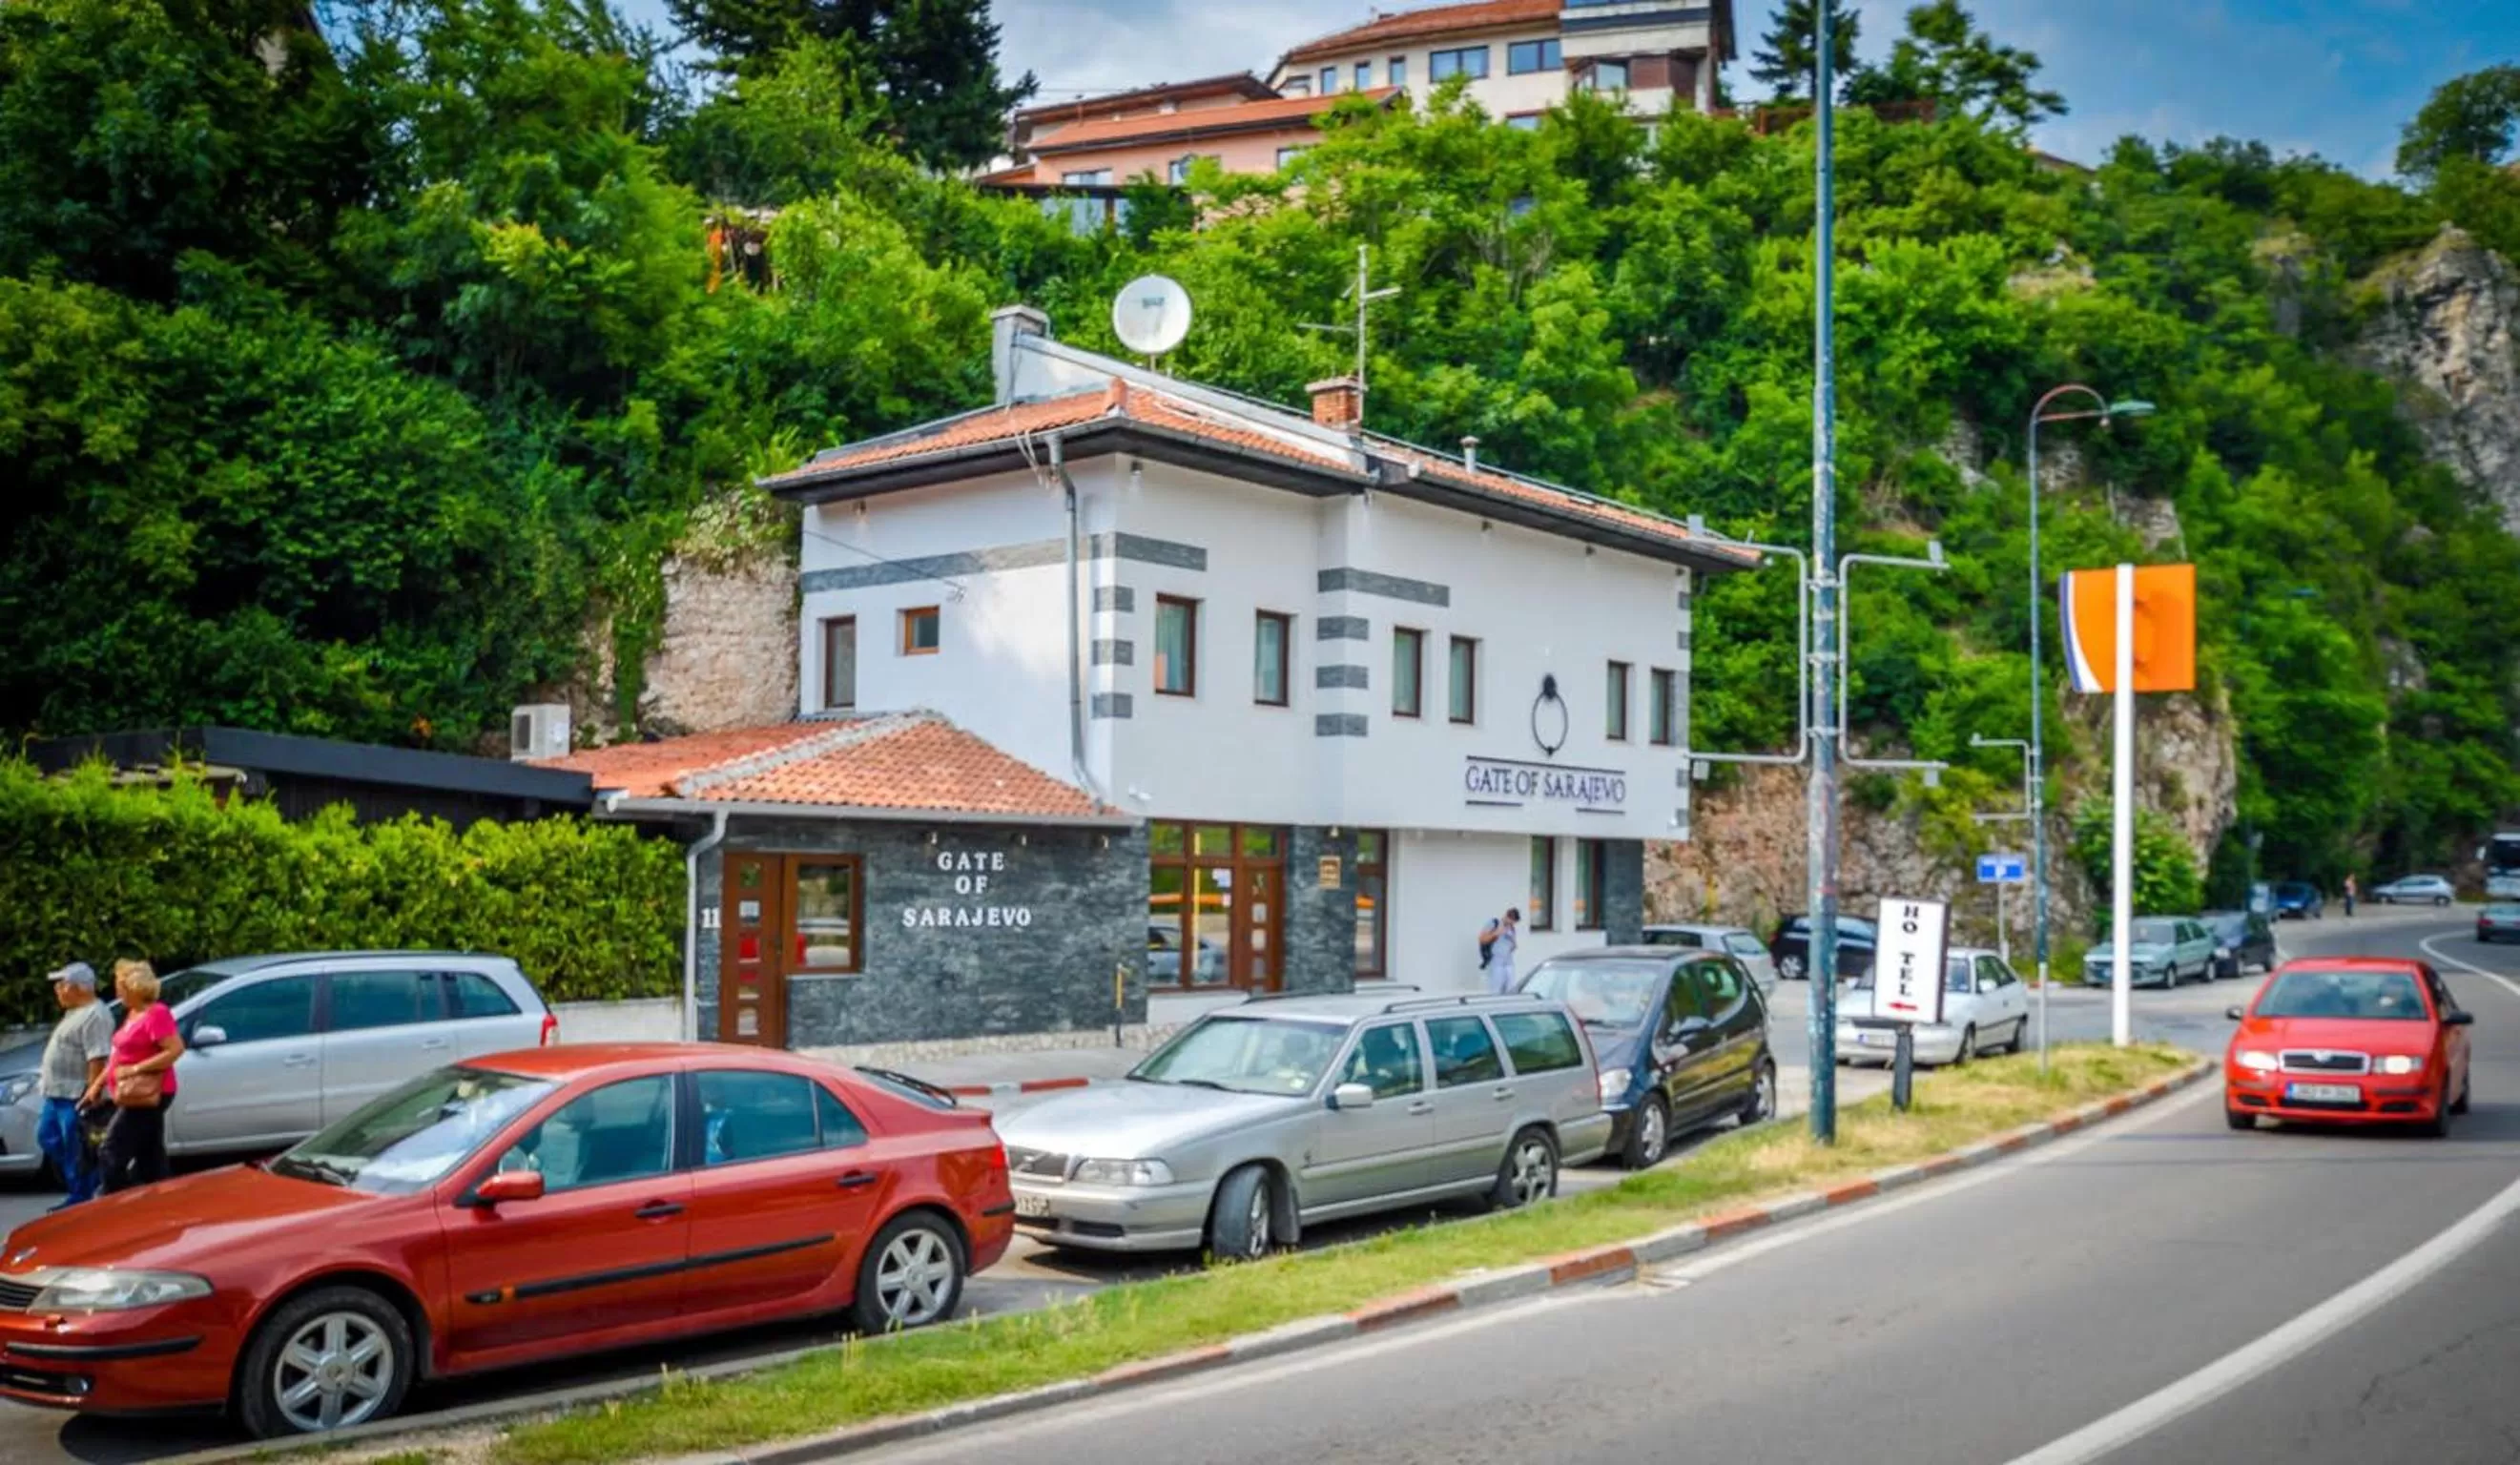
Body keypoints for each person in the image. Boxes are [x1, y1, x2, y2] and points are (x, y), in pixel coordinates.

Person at [85, 959, 183, 1195]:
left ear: (134, 987)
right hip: (129, 1093)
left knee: (110, 1150)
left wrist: (136, 1069)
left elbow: (175, 1049)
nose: (117, 991)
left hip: (149, 1093)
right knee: (150, 1154)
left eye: (120, 985)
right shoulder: (132, 1013)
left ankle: (113, 1199)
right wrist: (97, 1084)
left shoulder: (156, 1013)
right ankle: (160, 1200)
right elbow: (119, 1056)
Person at [34, 962, 114, 1208]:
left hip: (75, 1095)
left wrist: (92, 1093)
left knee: (76, 1146)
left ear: (79, 987)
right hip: (57, 1093)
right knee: (48, 1137)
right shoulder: (75, 1011)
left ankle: (83, 1193)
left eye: (62, 985)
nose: (57, 990)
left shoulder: (96, 1016)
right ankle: (84, 1183)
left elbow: (97, 1057)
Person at [1486, 908, 1521, 995]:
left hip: (1508, 962)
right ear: (1507, 917)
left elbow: (1513, 946)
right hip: (1496, 962)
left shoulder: (1512, 928)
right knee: (1496, 989)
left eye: (1514, 922)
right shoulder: (1495, 924)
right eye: (1511, 921)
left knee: (1509, 988)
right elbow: (1486, 939)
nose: (1512, 923)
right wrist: (1499, 932)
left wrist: (1513, 943)